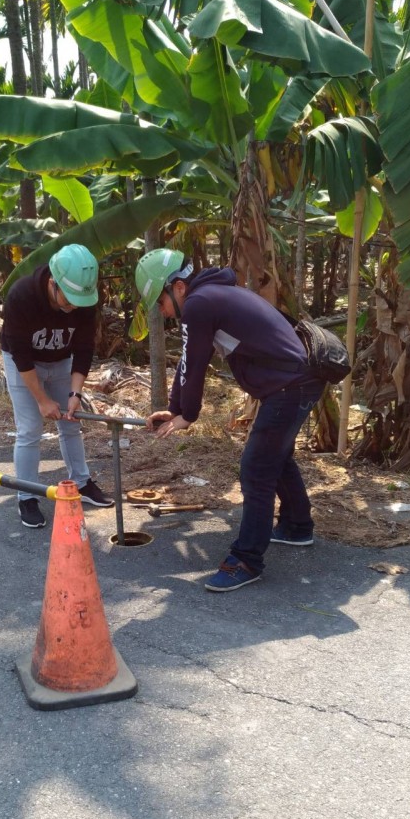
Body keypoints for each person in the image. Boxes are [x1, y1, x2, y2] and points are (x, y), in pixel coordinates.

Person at [135, 248, 325, 592]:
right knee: (274, 457)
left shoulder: (199, 303)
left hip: (291, 385)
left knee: (256, 468)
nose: (161, 312)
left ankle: (247, 560)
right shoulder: (212, 295)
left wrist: (187, 416)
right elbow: (188, 361)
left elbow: (194, 366)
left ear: (177, 287)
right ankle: (297, 527)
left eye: (160, 301)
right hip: (297, 381)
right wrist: (177, 409)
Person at [1, 243, 114, 528]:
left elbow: (85, 348)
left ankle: (82, 483)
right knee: (29, 429)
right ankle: (27, 496)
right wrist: (41, 399)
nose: (73, 306)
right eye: (68, 299)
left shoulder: (85, 300)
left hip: (62, 361)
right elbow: (21, 356)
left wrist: (75, 392)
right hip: (24, 364)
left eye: (79, 300)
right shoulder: (22, 296)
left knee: (71, 422)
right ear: (53, 282)